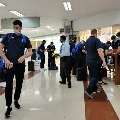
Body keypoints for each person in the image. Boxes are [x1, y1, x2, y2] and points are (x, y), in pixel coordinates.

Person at [0, 20, 32, 118]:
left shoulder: (25, 38)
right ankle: (8, 107)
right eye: (14, 27)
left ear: (21, 28)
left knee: (19, 85)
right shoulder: (8, 37)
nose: (15, 29)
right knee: (8, 87)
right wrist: (6, 60)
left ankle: (16, 100)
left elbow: (30, 52)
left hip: (20, 66)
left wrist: (24, 57)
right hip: (9, 66)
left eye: (17, 27)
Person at [85, 29, 106, 99]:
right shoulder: (96, 40)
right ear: (96, 33)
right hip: (95, 61)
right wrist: (104, 61)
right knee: (96, 76)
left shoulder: (87, 41)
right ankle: (88, 90)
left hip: (88, 60)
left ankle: (95, 88)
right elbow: (100, 50)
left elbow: (85, 51)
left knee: (92, 76)